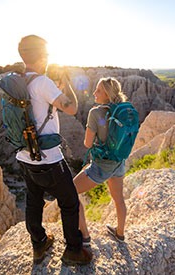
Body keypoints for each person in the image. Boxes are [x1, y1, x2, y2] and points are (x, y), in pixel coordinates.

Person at [16, 34, 92, 265]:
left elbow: (34, 107)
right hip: (48, 158)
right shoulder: (42, 82)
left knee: (34, 199)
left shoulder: (17, 81)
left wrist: (51, 94)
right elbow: (71, 108)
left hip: (24, 155)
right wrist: (66, 82)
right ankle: (73, 250)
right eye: (47, 54)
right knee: (69, 202)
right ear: (41, 55)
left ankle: (38, 244)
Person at [74, 77, 127, 245]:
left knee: (70, 192)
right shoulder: (123, 111)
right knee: (118, 198)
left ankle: (84, 237)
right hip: (118, 162)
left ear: (107, 94)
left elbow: (87, 143)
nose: (94, 93)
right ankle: (120, 233)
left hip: (102, 165)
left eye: (98, 90)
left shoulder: (95, 113)